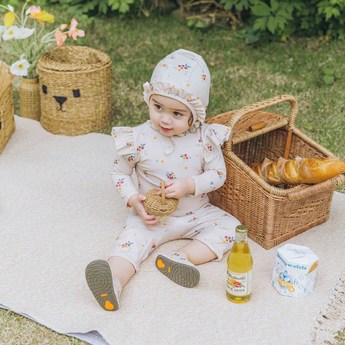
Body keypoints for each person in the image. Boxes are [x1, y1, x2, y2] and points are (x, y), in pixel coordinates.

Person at [85, 49, 240, 311]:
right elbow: (119, 172)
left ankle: (182, 258)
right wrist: (134, 200)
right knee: (130, 243)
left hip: (196, 213)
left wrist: (190, 185)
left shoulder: (205, 138)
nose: (165, 119)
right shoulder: (138, 138)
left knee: (232, 229)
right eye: (158, 108)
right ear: (149, 99)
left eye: (177, 114)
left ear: (195, 114)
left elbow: (218, 175)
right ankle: (113, 280)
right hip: (151, 217)